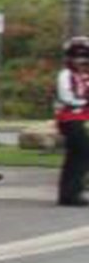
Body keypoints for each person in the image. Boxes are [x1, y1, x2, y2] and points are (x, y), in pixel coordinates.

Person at [57, 37, 89, 206]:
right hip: (70, 119)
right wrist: (83, 102)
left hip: (82, 119)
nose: (81, 61)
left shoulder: (84, 77)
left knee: (77, 156)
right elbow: (66, 97)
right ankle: (71, 193)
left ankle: (70, 194)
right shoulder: (66, 75)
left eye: (84, 57)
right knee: (81, 153)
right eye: (77, 57)